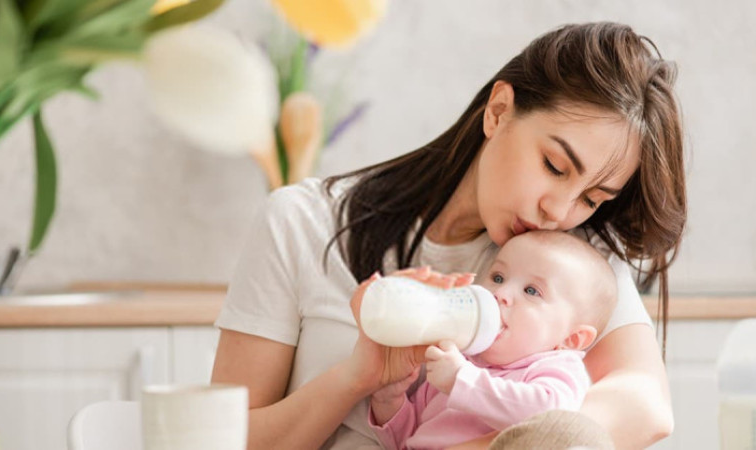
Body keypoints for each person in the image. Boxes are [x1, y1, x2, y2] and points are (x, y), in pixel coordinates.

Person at [211, 21, 685, 449]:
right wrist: (356, 379)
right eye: (554, 166)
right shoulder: (302, 222)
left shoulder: (572, 260)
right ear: (498, 112)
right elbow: (224, 439)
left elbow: (645, 406)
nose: (558, 211)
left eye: (593, 198)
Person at [368, 230, 618, 450]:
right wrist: (389, 403)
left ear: (571, 338)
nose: (501, 293)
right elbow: (408, 440)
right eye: (498, 277)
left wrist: (461, 380)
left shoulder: (553, 368)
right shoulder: (459, 359)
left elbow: (549, 419)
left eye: (531, 291)